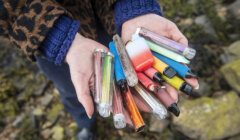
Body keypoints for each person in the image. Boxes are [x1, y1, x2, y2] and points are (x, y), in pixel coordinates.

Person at [0, 0, 198, 139]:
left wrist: (134, 6)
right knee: (72, 92)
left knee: (111, 61)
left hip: (115, 19)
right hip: (57, 46)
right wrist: (55, 37)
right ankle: (85, 125)